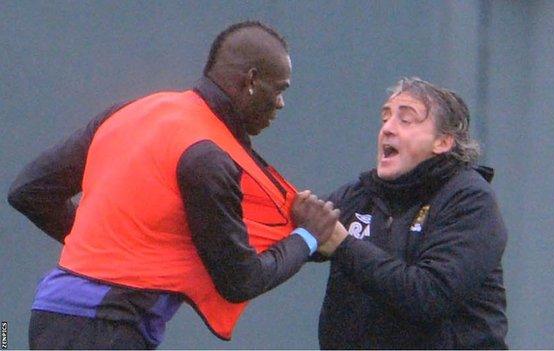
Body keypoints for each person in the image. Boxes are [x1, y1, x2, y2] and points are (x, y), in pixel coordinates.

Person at [7, 21, 339, 349]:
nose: (280, 103)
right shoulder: (208, 156)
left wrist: (109, 249)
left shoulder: (134, 111)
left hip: (52, 311)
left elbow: (30, 192)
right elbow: (241, 280)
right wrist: (307, 236)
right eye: (279, 90)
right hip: (107, 327)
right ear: (251, 80)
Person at [315, 77, 508, 349]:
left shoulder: (470, 200)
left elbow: (429, 295)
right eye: (385, 118)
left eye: (405, 120)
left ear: (442, 141)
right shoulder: (362, 194)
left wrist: (343, 246)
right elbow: (288, 233)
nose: (387, 129)